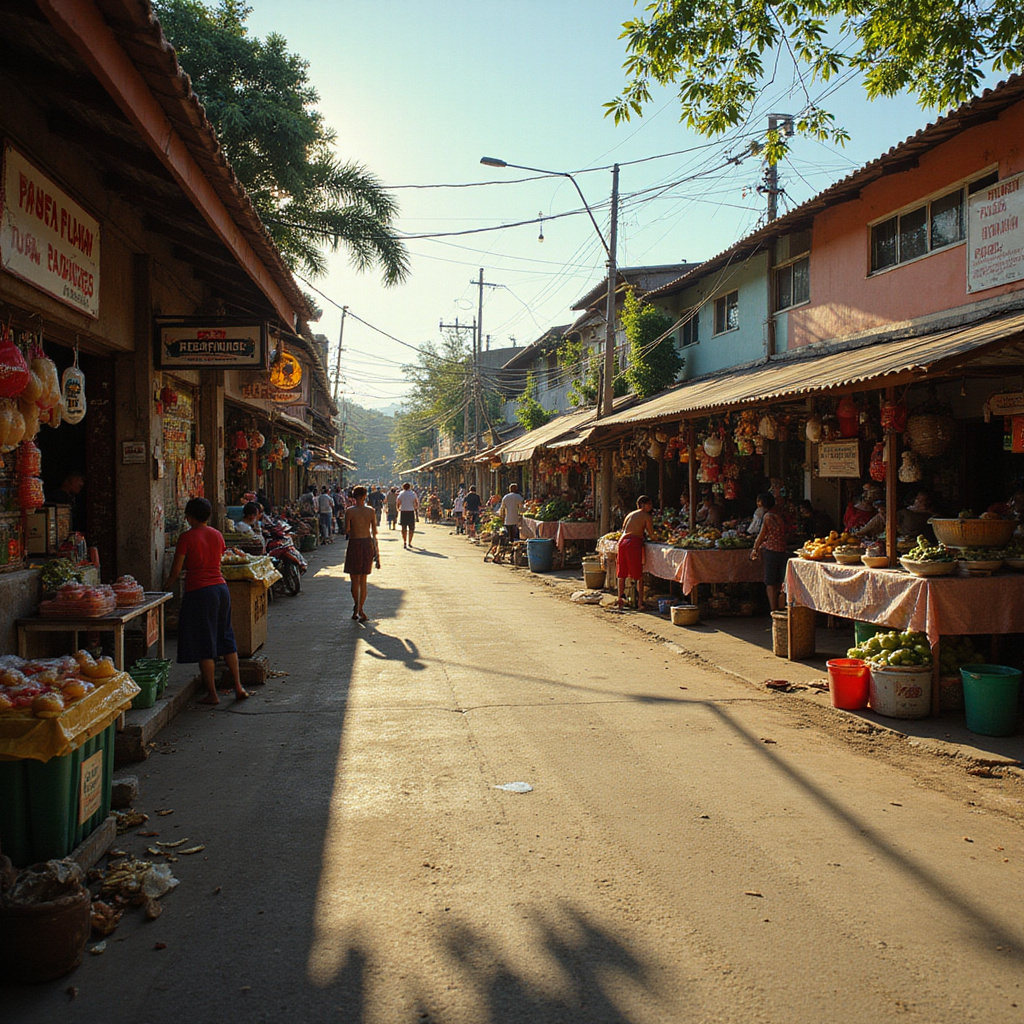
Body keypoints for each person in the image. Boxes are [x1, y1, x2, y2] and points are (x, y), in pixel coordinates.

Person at [163, 497, 249, 705]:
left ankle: (212, 694)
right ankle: (238, 686)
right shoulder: (217, 535)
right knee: (226, 637)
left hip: (200, 592)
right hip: (221, 589)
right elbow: (216, 559)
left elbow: (176, 569)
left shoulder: (187, 537)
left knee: (205, 642)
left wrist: (165, 589)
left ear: (189, 516)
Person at [344, 486, 379, 622]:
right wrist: (377, 554)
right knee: (363, 580)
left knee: (354, 580)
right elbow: (374, 532)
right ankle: (360, 609)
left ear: (353, 496)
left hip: (354, 543)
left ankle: (358, 608)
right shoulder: (370, 511)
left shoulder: (349, 511)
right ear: (365, 496)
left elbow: (346, 530)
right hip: (366, 544)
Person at [749, 491, 789, 612]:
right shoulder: (780, 514)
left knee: (770, 582)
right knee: (781, 582)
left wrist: (755, 548)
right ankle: (781, 608)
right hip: (783, 550)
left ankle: (773, 609)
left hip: (772, 551)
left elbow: (761, 535)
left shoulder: (768, 517)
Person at [617, 495, 655, 609]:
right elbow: (651, 534)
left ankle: (620, 599)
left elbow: (624, 529)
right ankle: (640, 603)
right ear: (643, 505)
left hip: (622, 542)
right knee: (638, 574)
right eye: (649, 504)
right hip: (633, 543)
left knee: (622, 572)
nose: (651, 507)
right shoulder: (646, 516)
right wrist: (659, 539)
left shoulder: (630, 514)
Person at [397, 481, 420, 549]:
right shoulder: (413, 494)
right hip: (411, 511)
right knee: (411, 528)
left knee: (403, 528)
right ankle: (409, 542)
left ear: (403, 487)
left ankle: (404, 542)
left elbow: (398, 502)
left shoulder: (401, 494)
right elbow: (416, 502)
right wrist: (416, 508)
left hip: (403, 511)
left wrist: (398, 508)